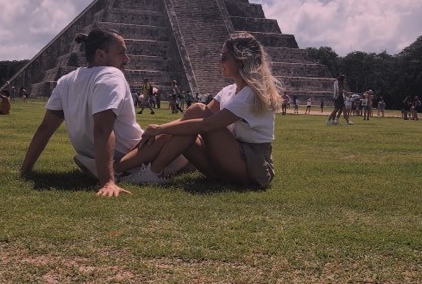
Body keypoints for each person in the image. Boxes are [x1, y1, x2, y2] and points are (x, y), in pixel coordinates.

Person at [20, 27, 186, 198]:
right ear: (100, 55)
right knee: (187, 136)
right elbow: (103, 129)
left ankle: (111, 169)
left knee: (186, 145)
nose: (127, 59)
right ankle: (134, 172)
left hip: (92, 157)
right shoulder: (111, 76)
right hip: (134, 156)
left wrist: (25, 170)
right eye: (121, 53)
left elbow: (45, 128)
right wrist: (107, 181)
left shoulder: (66, 81)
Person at [135, 32, 281, 189]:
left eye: (224, 58)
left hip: (253, 167)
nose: (219, 62)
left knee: (197, 110)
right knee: (186, 129)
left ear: (241, 61)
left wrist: (160, 129)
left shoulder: (250, 94)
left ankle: (153, 171)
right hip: (230, 160)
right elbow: (191, 121)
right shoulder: (229, 90)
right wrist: (158, 131)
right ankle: (143, 169)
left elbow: (206, 124)